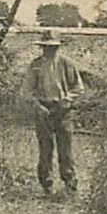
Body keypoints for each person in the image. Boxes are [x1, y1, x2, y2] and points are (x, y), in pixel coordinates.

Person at [23, 34, 84, 196]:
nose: (49, 50)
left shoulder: (67, 64)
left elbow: (78, 87)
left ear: (57, 47)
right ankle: (47, 184)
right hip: (43, 109)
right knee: (45, 148)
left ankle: (70, 183)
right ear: (42, 47)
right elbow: (27, 91)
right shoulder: (35, 66)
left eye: (53, 47)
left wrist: (68, 99)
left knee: (66, 150)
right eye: (46, 47)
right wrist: (37, 106)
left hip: (63, 111)